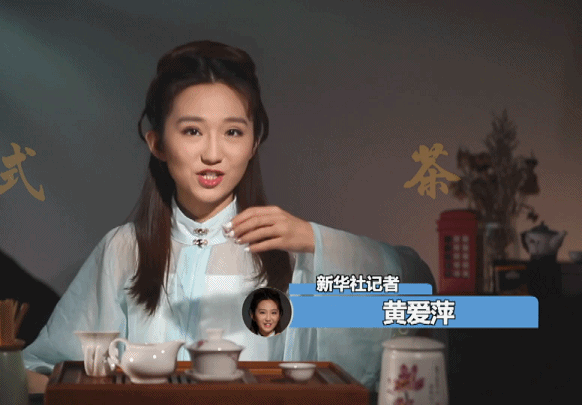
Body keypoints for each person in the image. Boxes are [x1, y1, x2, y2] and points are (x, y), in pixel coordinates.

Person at [22, 40, 434, 393]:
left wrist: (315, 240)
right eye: (192, 131)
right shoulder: (125, 250)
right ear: (157, 142)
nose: (213, 153)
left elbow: (420, 295)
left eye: (233, 132)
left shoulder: (292, 250)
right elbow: (43, 369)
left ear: (255, 141)